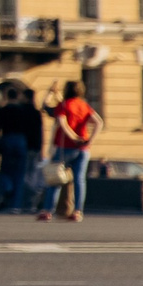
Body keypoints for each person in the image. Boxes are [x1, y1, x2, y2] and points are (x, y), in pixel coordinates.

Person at [39, 80, 100, 223]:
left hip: (65, 147)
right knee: (79, 180)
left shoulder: (64, 105)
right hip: (84, 148)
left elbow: (62, 122)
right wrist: (90, 140)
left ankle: (48, 211)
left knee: (56, 178)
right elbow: (98, 122)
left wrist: (72, 137)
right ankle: (78, 211)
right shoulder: (84, 105)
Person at [0, 85, 41, 213]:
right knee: (19, 174)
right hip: (21, 141)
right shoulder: (23, 110)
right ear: (17, 96)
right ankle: (16, 206)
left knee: (4, 170)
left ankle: (7, 187)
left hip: (7, 139)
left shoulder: (2, 111)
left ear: (6, 97)